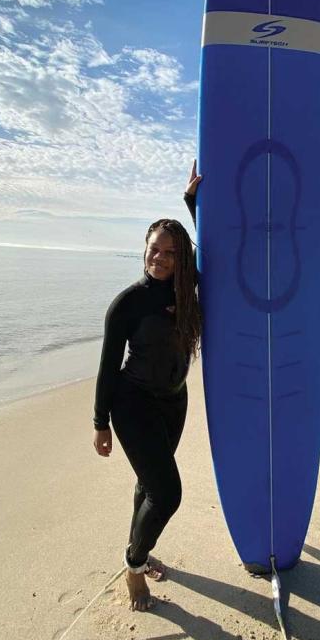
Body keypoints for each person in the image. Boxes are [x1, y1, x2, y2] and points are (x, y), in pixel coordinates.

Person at [92, 161, 202, 611]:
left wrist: (192, 203)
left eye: (170, 253)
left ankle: (140, 547)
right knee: (168, 493)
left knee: (148, 484)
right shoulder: (128, 303)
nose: (159, 258)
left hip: (174, 402)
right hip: (132, 403)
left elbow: (213, 248)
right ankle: (134, 565)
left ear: (181, 259)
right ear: (144, 250)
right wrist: (100, 423)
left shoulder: (188, 289)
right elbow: (106, 367)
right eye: (154, 250)